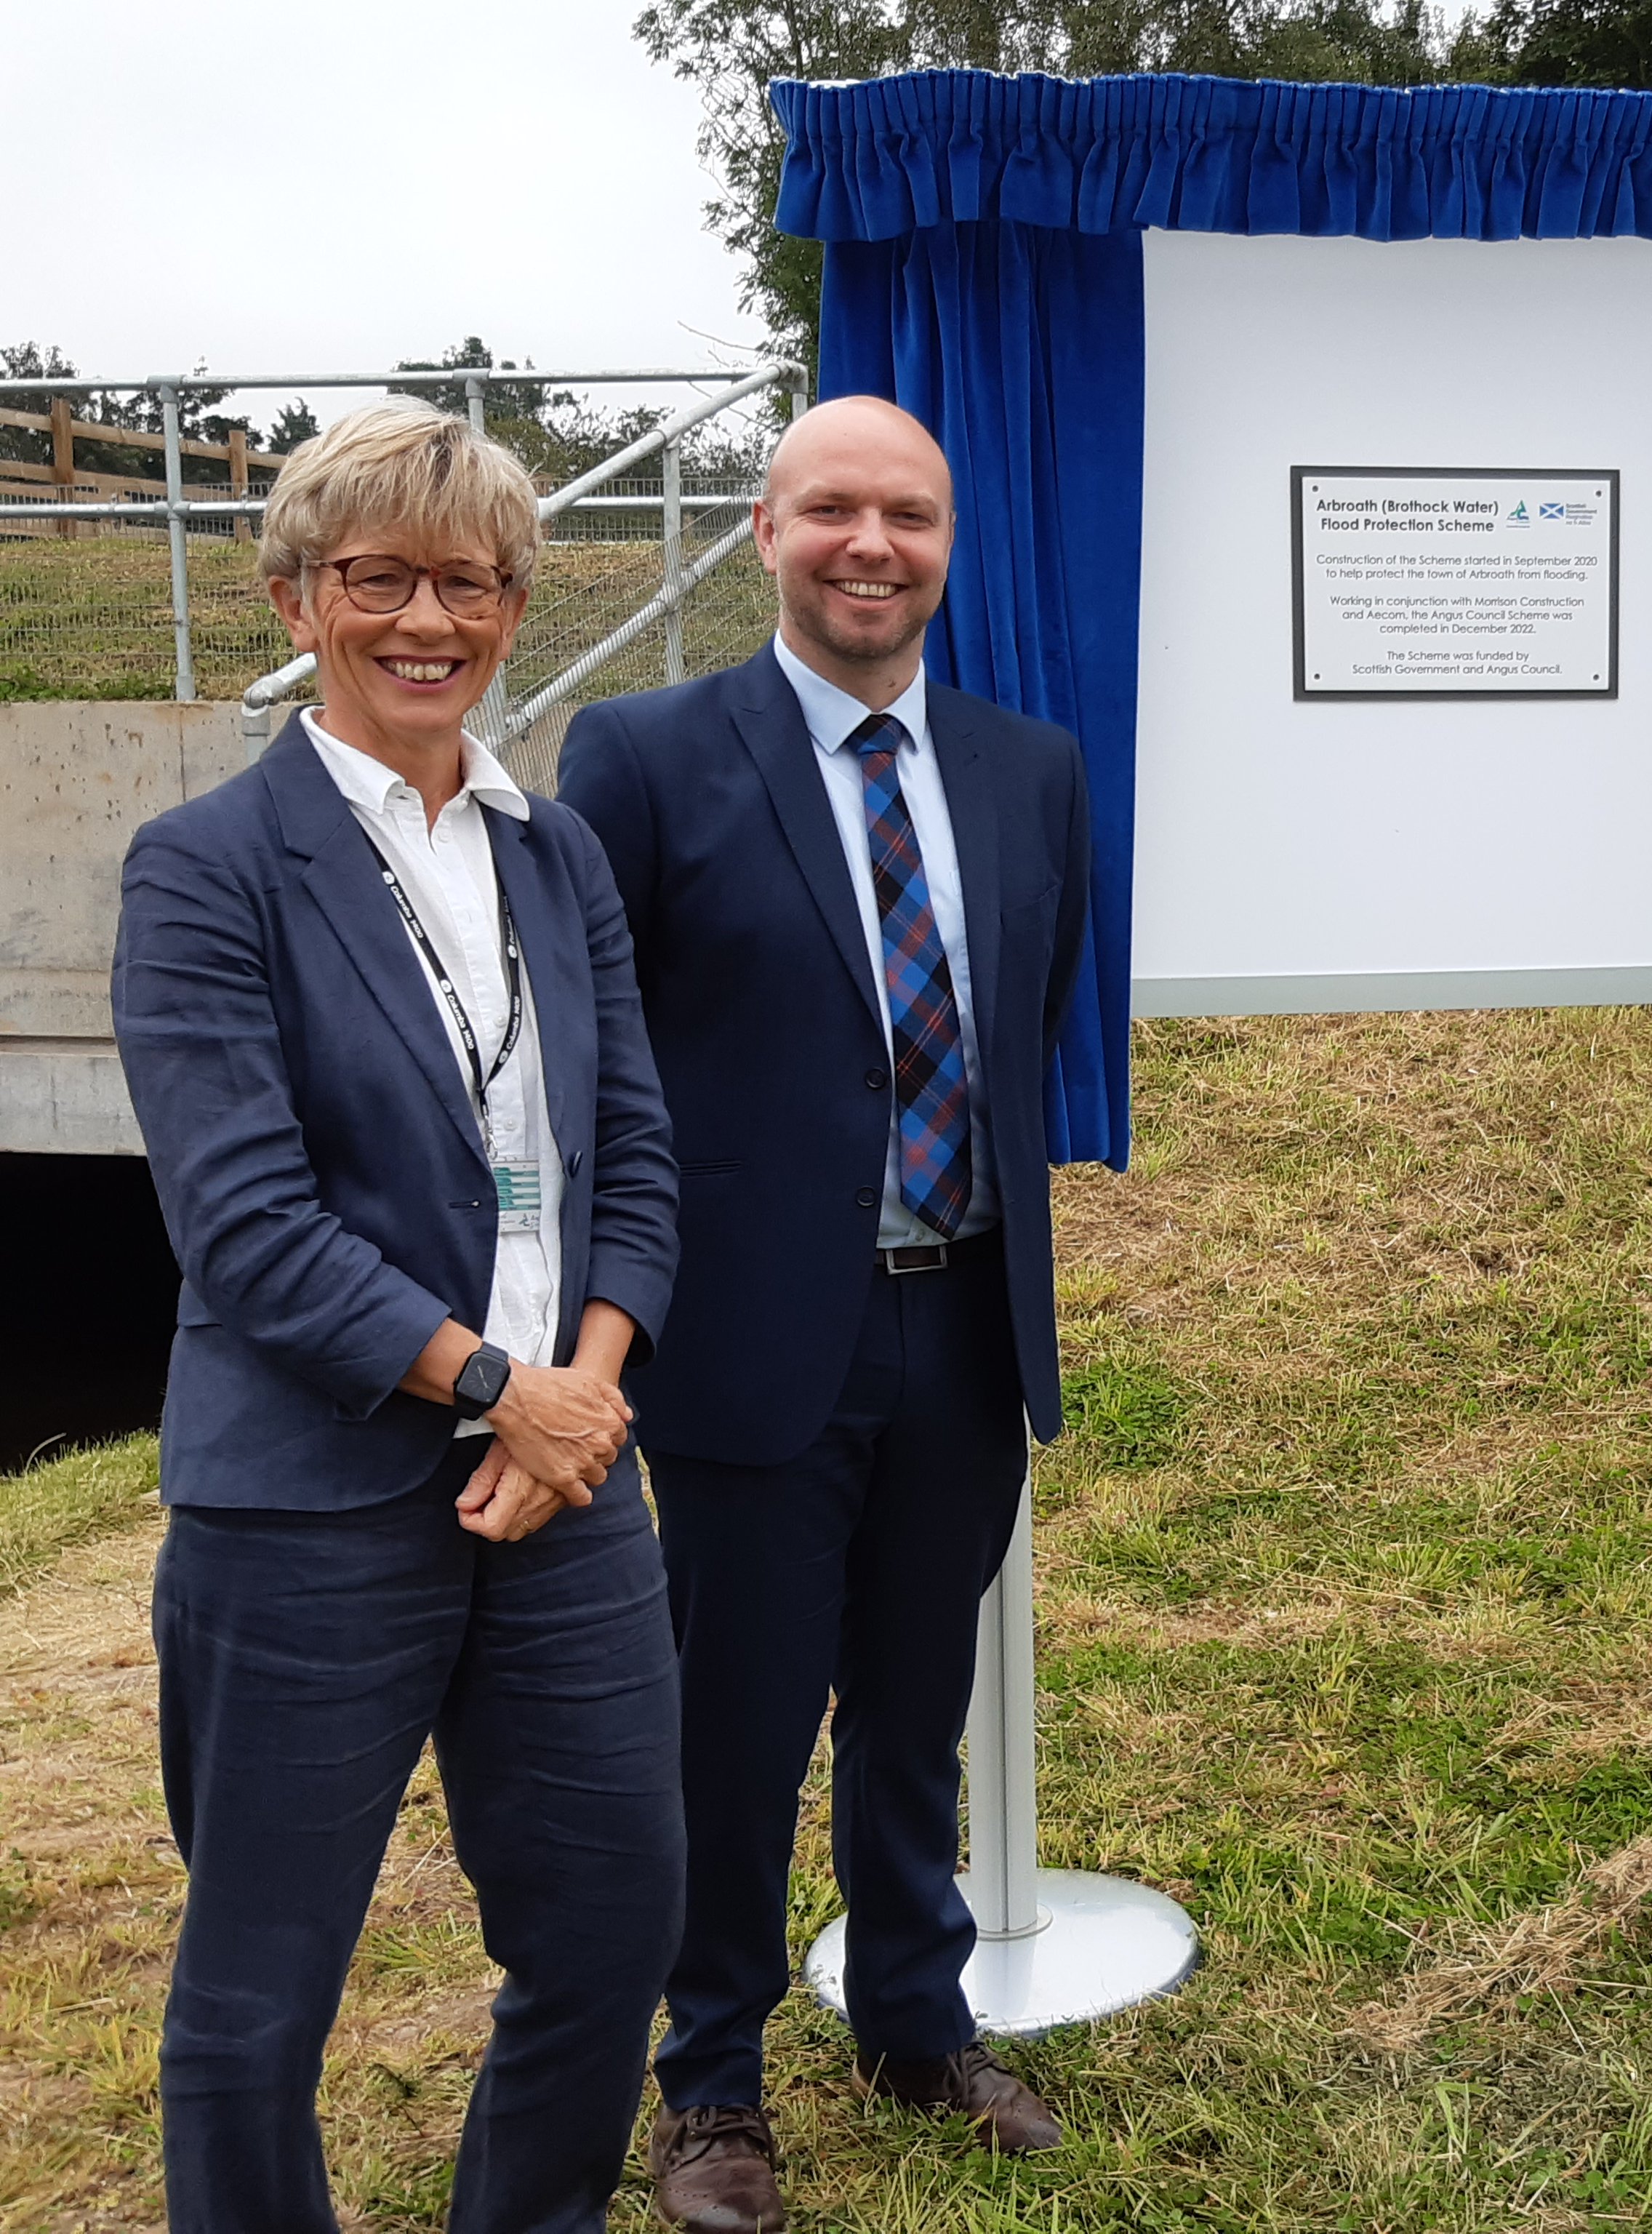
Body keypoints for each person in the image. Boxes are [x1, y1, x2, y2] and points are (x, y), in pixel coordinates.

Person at [112, 404, 685, 2232]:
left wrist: (580, 1399)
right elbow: (248, 1227)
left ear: (515, 605)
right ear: (296, 593)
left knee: (609, 1938)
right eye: (376, 577)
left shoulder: (558, 855)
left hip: (566, 1497)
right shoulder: (204, 867)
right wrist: (500, 1387)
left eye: (468, 580)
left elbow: (637, 1159)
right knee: (253, 2009)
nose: (424, 617)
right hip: (305, 1508)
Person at [558, 393, 1091, 2230]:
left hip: (962, 1325)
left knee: (915, 1707)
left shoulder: (1032, 769)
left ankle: (911, 2019)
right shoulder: (637, 753)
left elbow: (1022, 1031)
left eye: (910, 516)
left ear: (951, 541)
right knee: (736, 1723)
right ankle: (708, 2076)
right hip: (741, 1339)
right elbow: (589, 1061)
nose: (874, 547)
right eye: (834, 513)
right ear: (765, 532)